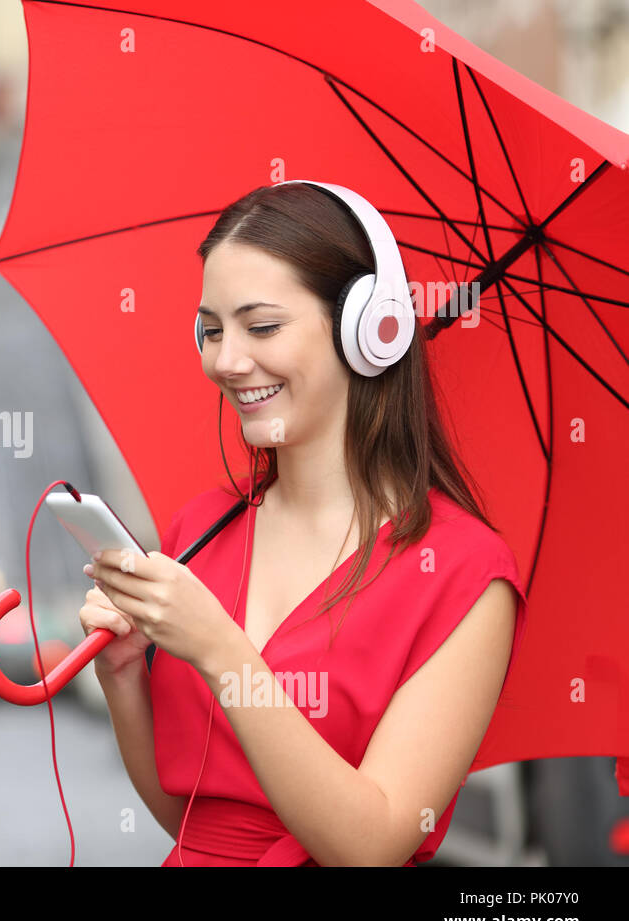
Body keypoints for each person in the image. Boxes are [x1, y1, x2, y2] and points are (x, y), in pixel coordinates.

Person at [78, 181, 528, 866]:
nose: (226, 361)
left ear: (368, 329)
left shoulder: (465, 573)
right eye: (210, 329)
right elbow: (194, 820)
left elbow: (371, 845)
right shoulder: (201, 529)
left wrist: (223, 654)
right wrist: (123, 679)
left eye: (261, 327)